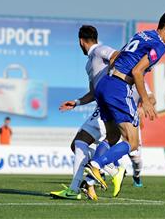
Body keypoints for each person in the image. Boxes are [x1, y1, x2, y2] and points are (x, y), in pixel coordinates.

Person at [85, 11, 165, 189]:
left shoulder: (142, 35)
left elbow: (119, 58)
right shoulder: (159, 46)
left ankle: (89, 183)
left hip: (106, 83)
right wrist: (145, 100)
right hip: (119, 88)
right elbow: (137, 72)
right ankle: (96, 165)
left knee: (112, 136)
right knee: (133, 143)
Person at [50, 25, 125, 200]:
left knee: (80, 142)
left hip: (109, 106)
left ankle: (74, 189)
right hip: (101, 108)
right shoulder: (89, 63)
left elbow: (117, 56)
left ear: (81, 41)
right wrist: (76, 102)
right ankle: (112, 167)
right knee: (76, 145)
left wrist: (111, 82)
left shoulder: (100, 50)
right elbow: (93, 92)